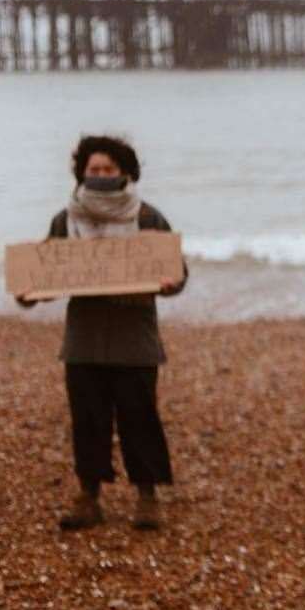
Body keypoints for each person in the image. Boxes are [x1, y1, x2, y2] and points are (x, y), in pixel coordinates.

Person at [14, 135, 187, 531]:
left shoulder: (147, 216)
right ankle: (88, 496)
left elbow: (178, 272)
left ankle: (147, 497)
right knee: (87, 419)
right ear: (82, 172)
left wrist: (167, 282)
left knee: (139, 417)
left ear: (126, 171)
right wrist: (27, 294)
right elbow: (46, 272)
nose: (101, 175)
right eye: (94, 169)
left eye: (109, 169)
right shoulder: (66, 219)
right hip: (84, 339)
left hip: (135, 338)